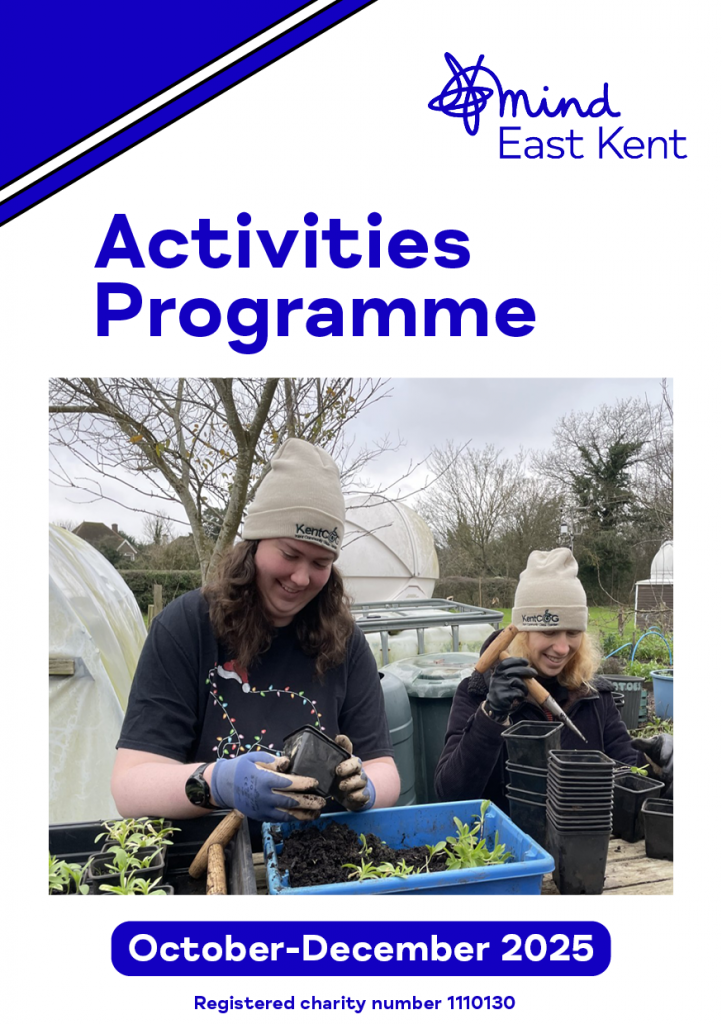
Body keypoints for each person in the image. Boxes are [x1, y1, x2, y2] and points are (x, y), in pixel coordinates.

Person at [111, 438, 400, 831]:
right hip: (208, 856)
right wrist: (218, 783)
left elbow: (385, 769)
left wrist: (364, 788)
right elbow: (130, 784)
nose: (301, 577)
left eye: (320, 562)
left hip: (315, 856)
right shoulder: (186, 628)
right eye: (289, 553)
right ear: (255, 543)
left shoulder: (344, 641)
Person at [434, 548, 673, 807]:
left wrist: (657, 766)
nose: (562, 648)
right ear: (521, 633)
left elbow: (629, 776)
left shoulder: (594, 697)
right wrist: (491, 717)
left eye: (572, 632)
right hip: (502, 846)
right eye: (549, 632)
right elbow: (450, 795)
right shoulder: (477, 693)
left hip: (581, 843)